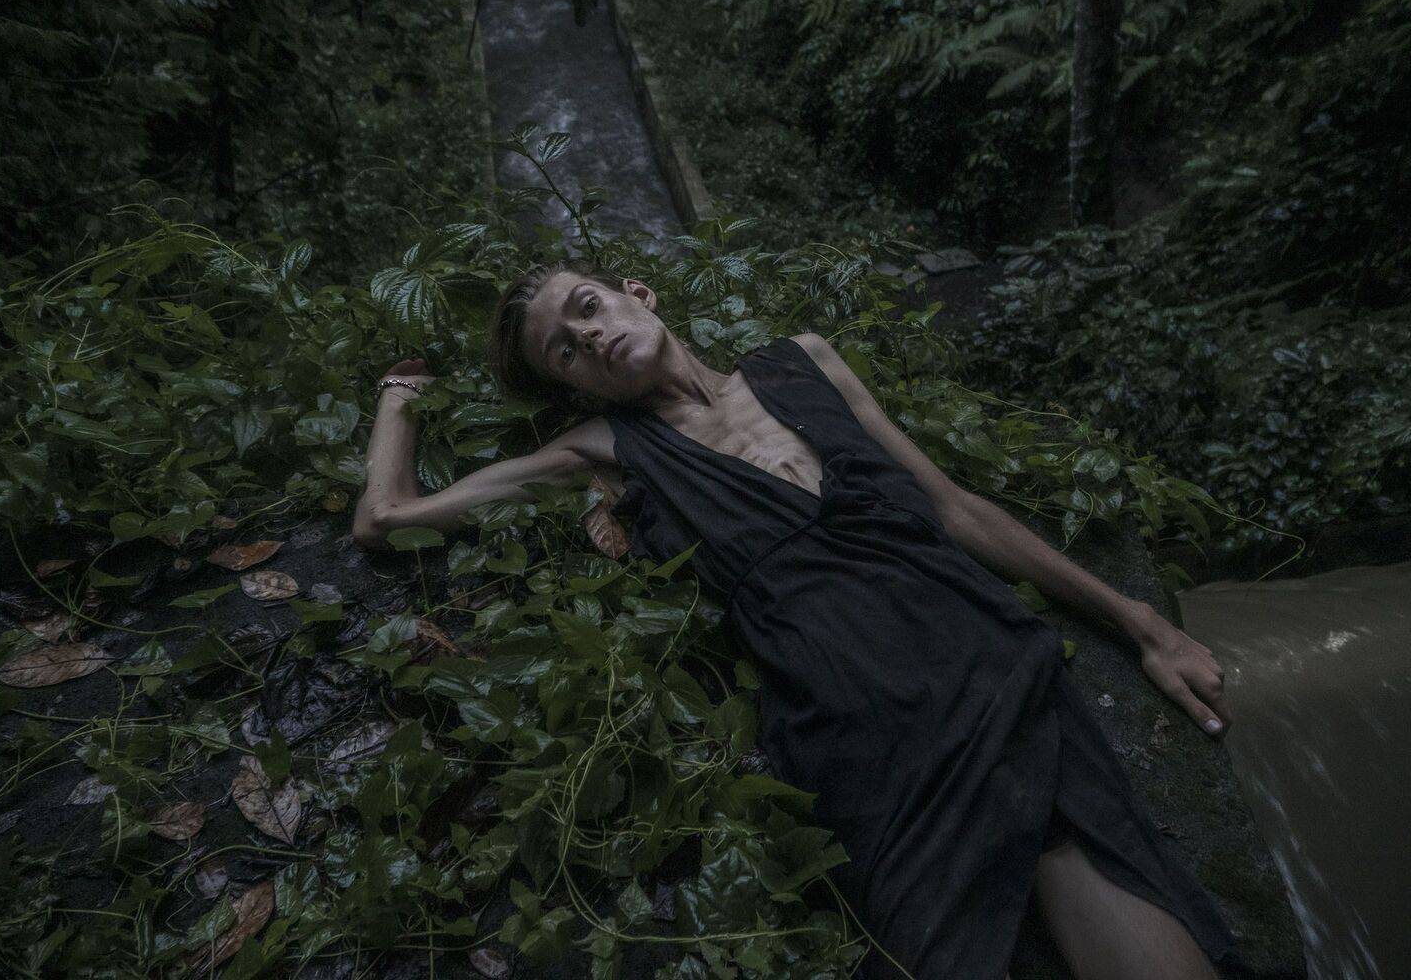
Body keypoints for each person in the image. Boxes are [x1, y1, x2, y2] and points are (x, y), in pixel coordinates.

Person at [353, 258, 1238, 980]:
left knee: (1105, 885)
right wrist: (398, 395)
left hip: (992, 665)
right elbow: (387, 518)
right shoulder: (607, 450)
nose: (588, 336)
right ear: (577, 388)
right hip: (866, 734)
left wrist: (1142, 625)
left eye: (587, 308)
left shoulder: (805, 360)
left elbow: (953, 508)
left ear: (637, 293)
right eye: (565, 351)